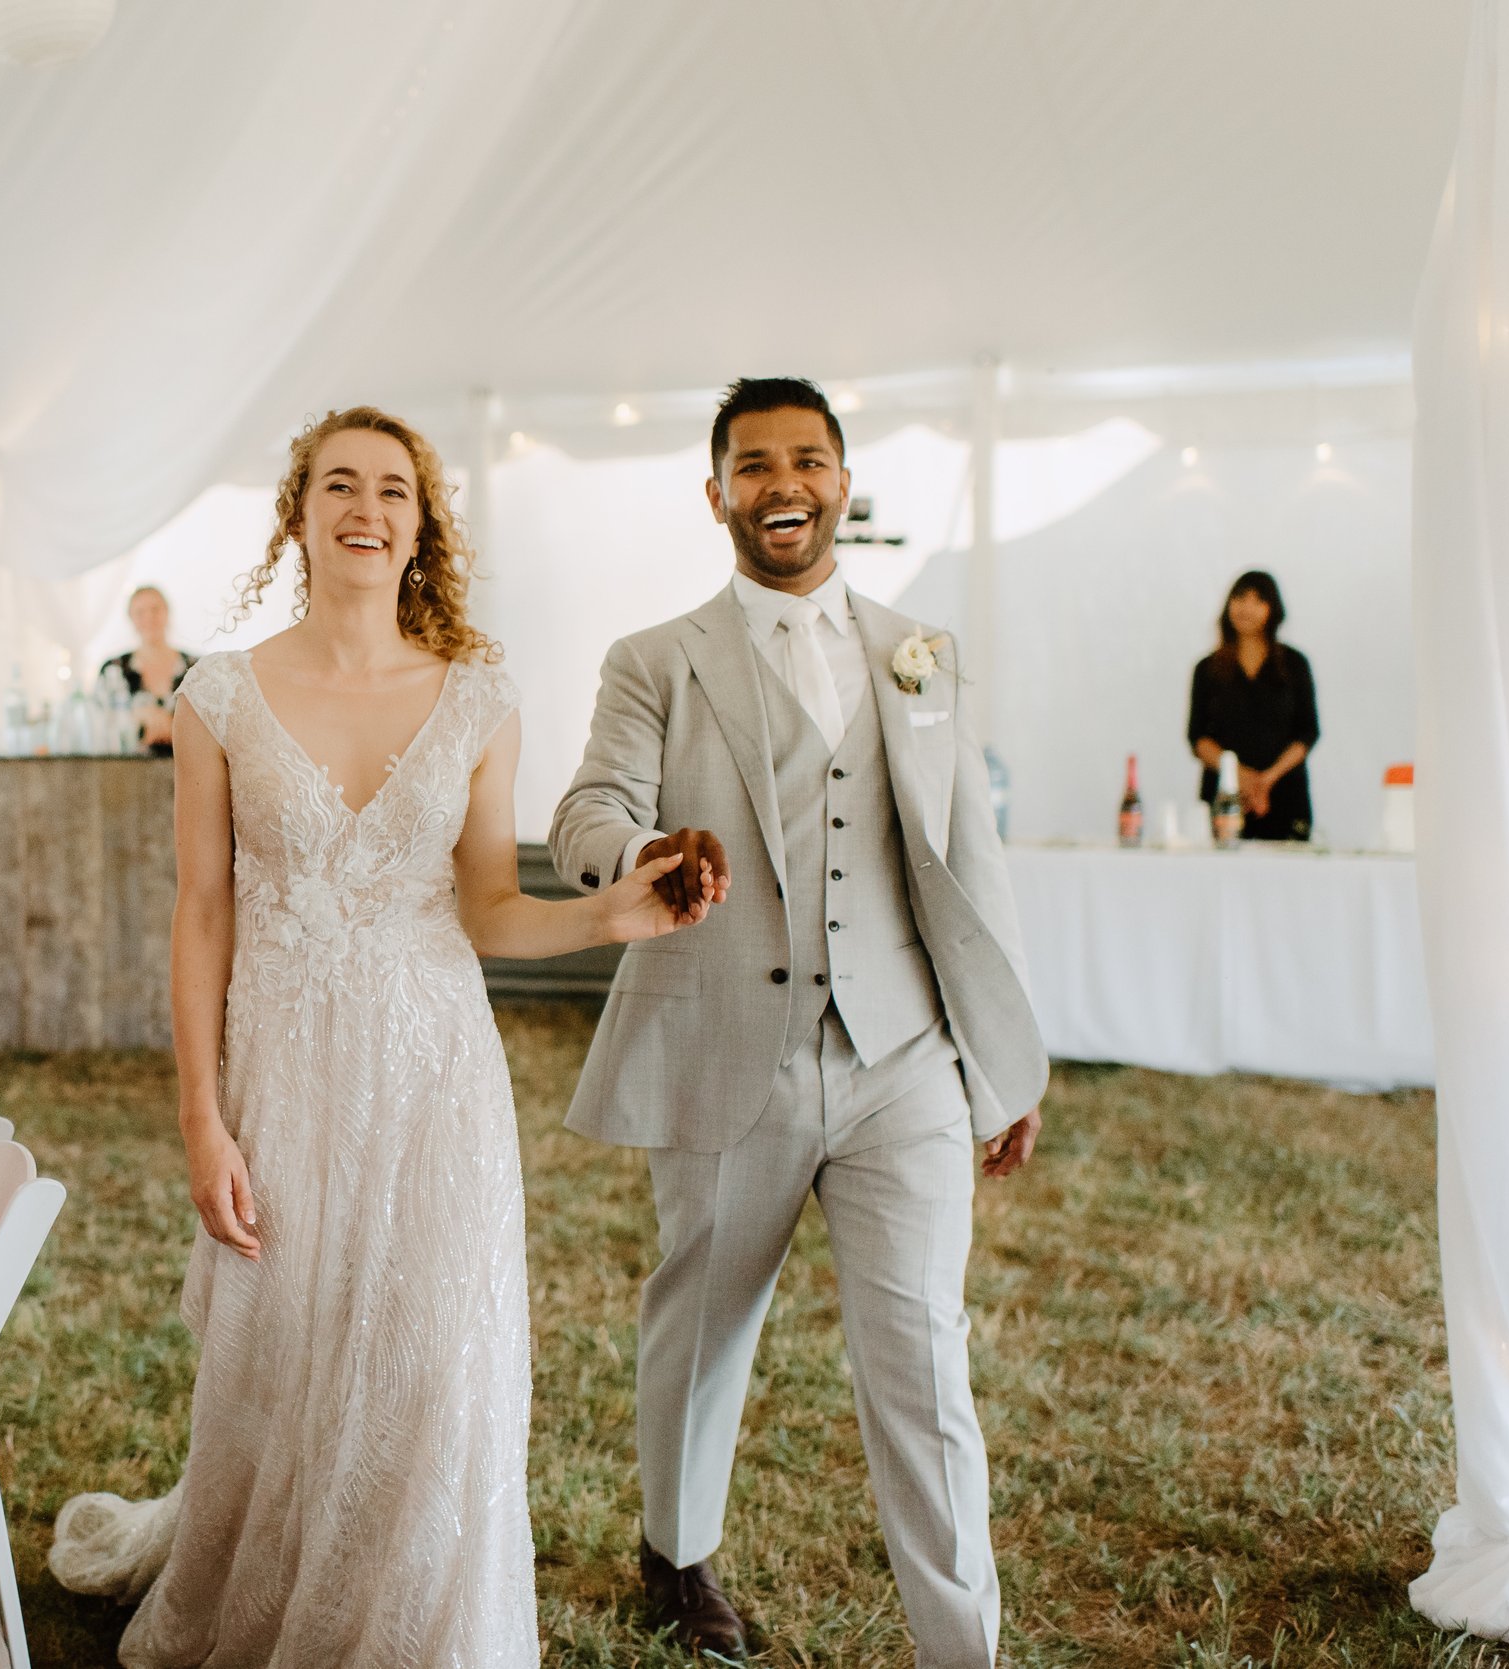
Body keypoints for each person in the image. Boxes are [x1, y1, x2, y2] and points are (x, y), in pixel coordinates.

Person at [49, 406, 712, 1666]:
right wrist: (201, 1114)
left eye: (392, 489)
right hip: (283, 1071)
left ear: (422, 523)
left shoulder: (476, 698)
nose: (365, 507)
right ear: (298, 514)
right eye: (338, 485)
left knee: (432, 1362)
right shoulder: (221, 697)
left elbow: (490, 910)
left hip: (432, 1075)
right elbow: (201, 915)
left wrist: (610, 915)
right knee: (286, 1350)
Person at [550, 377, 1048, 1666]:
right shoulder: (654, 659)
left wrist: (1004, 1061)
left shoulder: (915, 648)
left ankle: (961, 1646)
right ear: (715, 491)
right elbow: (584, 815)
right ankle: (676, 1554)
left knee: (924, 1368)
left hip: (903, 1062)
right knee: (703, 1323)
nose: (784, 484)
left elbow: (966, 858)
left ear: (841, 478)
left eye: (808, 460)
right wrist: (647, 847)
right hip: (728, 1049)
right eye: (755, 463)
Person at [1187, 569, 1319, 841]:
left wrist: (1266, 780)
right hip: (1224, 798)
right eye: (1239, 598)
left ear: (1273, 609)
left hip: (1284, 795)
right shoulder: (1208, 669)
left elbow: (1307, 732)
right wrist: (1241, 777)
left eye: (1258, 600)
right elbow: (1198, 737)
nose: (1246, 607)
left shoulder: (1294, 665)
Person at [101, 585, 197, 755]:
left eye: (155, 609)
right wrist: (134, 718)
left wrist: (175, 726)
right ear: (131, 619)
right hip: (129, 770)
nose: (149, 617)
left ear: (167, 613)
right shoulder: (112, 669)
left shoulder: (197, 667)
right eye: (140, 612)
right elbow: (99, 723)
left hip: (189, 767)